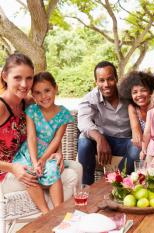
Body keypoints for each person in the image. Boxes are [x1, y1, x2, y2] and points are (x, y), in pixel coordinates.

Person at [0, 53, 80, 211]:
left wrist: (58, 152)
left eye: (29, 78)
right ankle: (48, 216)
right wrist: (12, 168)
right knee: (56, 174)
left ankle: (63, 217)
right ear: (5, 76)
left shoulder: (29, 103)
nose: (24, 84)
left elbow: (48, 132)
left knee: (76, 167)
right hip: (7, 169)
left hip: (32, 157)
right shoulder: (1, 107)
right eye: (17, 78)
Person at [12, 72, 74, 213]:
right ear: (33, 95)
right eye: (37, 93)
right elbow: (32, 138)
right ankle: (46, 213)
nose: (43, 96)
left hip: (49, 152)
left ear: (55, 88)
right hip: (29, 152)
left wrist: (44, 159)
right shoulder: (32, 111)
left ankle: (59, 212)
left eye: (47, 90)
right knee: (29, 173)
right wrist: (35, 162)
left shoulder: (63, 113)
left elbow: (57, 139)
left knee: (53, 170)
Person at [77, 61, 139, 185]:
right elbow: (83, 122)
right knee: (84, 140)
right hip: (103, 140)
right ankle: (86, 186)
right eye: (101, 80)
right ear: (96, 82)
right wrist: (100, 138)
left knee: (137, 146)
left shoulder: (129, 94)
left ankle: (117, 183)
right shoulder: (90, 98)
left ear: (116, 78)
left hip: (125, 142)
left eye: (110, 79)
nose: (106, 84)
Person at [119, 71, 154, 149]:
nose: (139, 95)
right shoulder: (133, 107)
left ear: (151, 92)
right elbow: (137, 137)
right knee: (133, 150)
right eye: (135, 92)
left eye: (143, 90)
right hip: (144, 145)